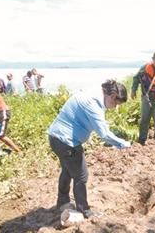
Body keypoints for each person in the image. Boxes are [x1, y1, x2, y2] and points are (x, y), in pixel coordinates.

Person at [48, 80, 131, 218]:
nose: (115, 107)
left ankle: (62, 201)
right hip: (67, 142)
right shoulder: (93, 104)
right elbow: (104, 134)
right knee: (81, 175)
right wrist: (123, 144)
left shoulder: (94, 92)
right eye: (116, 103)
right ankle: (84, 211)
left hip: (56, 138)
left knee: (68, 170)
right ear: (112, 95)